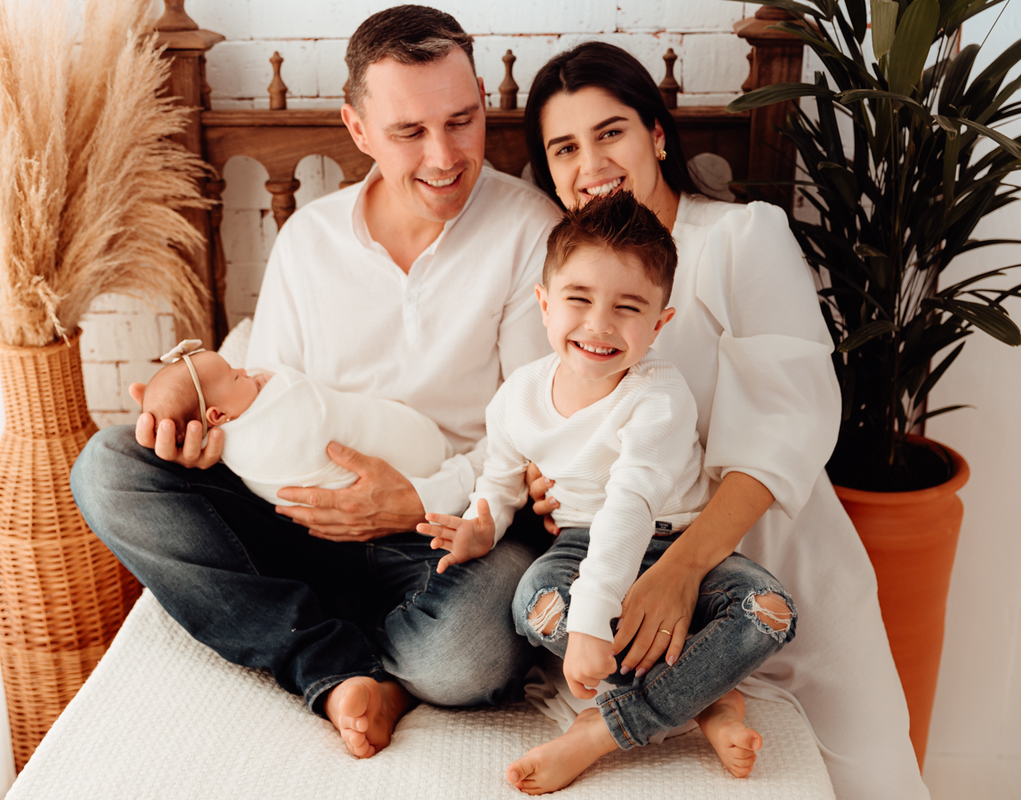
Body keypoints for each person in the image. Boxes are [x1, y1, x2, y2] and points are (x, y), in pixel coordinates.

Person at [69, 5, 562, 761]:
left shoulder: (532, 232)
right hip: (302, 522)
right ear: (358, 129)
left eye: (462, 121)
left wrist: (413, 500)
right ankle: (332, 661)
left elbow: (532, 437)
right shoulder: (309, 238)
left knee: (463, 654)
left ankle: (359, 656)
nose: (445, 155)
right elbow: (263, 397)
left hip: (449, 535)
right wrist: (210, 440)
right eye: (409, 131)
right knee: (109, 468)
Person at [519, 42, 928, 798]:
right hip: (636, 570)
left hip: (773, 557)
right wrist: (549, 482)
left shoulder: (741, 238)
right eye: (564, 148)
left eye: (610, 132)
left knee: (875, 777)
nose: (590, 164)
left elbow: (790, 423)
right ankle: (676, 708)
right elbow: (558, 414)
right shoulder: (564, 277)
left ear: (657, 135)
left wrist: (682, 570)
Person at [420, 189, 795, 793]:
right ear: (544, 304)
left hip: (673, 542)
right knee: (535, 602)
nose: (599, 324)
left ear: (660, 323)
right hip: (579, 543)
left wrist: (594, 622)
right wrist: (482, 523)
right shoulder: (517, 396)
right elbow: (500, 476)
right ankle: (705, 697)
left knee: (768, 611)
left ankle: (603, 729)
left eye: (628, 307)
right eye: (578, 299)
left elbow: (631, 506)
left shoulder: (658, 395)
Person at [140, 339, 450, 506]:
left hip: (415, 491)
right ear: (218, 416)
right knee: (118, 450)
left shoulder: (243, 420)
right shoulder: (260, 437)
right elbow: (299, 399)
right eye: (235, 376)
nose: (247, 371)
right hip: (319, 520)